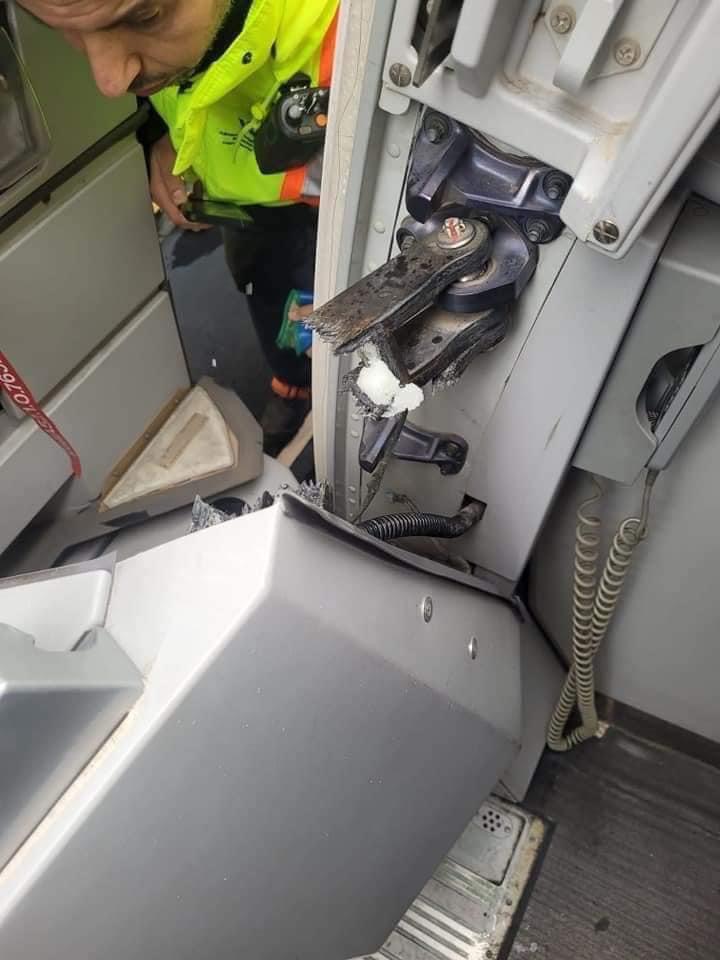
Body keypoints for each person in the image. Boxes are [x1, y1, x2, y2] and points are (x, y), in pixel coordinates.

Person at [18, 0, 339, 454]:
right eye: (66, 32)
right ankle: (294, 383)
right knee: (267, 290)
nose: (108, 80)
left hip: (339, 204)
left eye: (146, 16)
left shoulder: (357, 32)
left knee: (344, 302)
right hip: (249, 210)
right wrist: (156, 133)